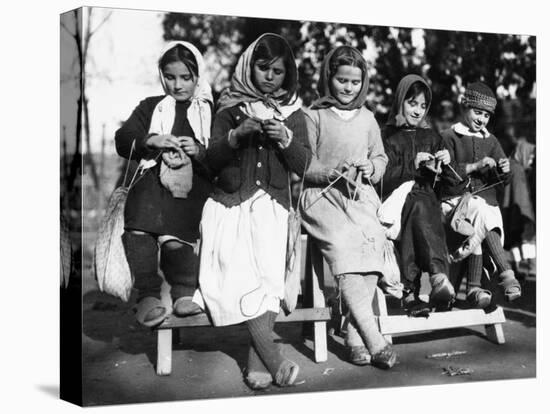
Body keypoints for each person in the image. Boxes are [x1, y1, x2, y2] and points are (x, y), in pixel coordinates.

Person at [194, 34, 311, 390]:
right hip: (232, 205)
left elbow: (304, 165)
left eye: (278, 71)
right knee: (243, 272)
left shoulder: (292, 114)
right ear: (248, 67)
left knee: (270, 280)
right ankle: (272, 358)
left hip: (274, 207)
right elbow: (210, 161)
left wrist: (286, 140)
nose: (270, 77)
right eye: (263, 68)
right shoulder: (229, 109)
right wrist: (234, 137)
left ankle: (255, 359)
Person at [299, 46, 396, 369]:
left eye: (354, 82)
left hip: (358, 196)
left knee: (373, 238)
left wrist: (371, 168)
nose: (347, 88)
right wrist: (328, 170)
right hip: (321, 195)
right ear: (329, 78)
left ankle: (354, 332)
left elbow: (380, 157)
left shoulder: (368, 118)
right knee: (343, 241)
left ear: (363, 82)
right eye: (341, 80)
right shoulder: (313, 116)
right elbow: (303, 163)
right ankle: (372, 336)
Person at [114, 41, 213, 327]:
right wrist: (151, 139)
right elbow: (123, 139)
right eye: (170, 77)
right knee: (140, 221)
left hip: (193, 187)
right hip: (154, 185)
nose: (178, 85)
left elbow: (221, 154)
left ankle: (184, 293)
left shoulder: (209, 110)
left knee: (176, 236)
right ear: (161, 75)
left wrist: (199, 150)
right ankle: (147, 294)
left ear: (198, 76)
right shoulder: (151, 108)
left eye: (186, 77)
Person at [439, 82, 521, 307]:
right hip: (454, 202)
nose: (481, 119)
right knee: (483, 213)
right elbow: (446, 176)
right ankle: (505, 273)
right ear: (464, 107)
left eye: (486, 115)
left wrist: (503, 170)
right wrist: (475, 166)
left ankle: (476, 289)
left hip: (483, 204)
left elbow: (502, 182)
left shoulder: (492, 140)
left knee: (485, 214)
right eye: (477, 112)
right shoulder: (449, 136)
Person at [381, 74, 457, 313]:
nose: (417, 111)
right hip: (395, 205)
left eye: (423, 105)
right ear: (400, 101)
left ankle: (410, 290)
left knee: (422, 203)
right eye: (412, 103)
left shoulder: (433, 137)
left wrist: (446, 164)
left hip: (429, 205)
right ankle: (439, 277)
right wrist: (412, 166)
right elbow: (380, 180)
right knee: (418, 203)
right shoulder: (386, 135)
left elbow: (451, 184)